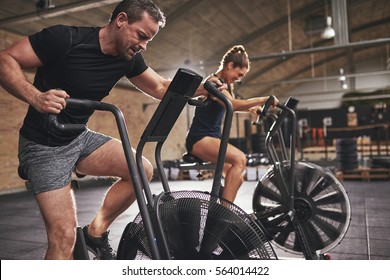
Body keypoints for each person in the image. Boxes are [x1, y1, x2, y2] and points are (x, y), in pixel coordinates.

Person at [0, 0, 221, 260]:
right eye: (141, 35)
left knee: (141, 169)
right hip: (44, 146)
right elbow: (6, 59)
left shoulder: (128, 58)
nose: (143, 45)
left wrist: (205, 86)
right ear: (121, 20)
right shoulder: (64, 39)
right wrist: (36, 97)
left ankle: (95, 232)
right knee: (64, 238)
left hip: (78, 137)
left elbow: (161, 87)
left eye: (149, 40)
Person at [186, 45, 278, 203]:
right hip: (200, 139)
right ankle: (223, 214)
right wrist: (264, 99)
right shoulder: (213, 83)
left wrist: (251, 109)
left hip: (211, 138)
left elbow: (229, 107)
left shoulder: (227, 86)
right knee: (240, 159)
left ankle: (220, 208)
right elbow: (233, 104)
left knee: (237, 178)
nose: (239, 78)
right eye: (239, 73)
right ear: (229, 65)